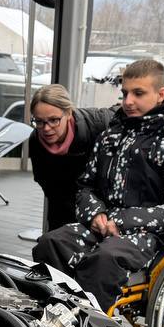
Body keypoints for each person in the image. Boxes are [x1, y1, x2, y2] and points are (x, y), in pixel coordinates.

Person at [32, 59, 164, 310]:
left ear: (160, 94)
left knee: (104, 260)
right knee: (50, 243)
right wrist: (95, 214)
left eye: (138, 93)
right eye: (125, 93)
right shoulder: (110, 137)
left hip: (152, 236)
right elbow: (85, 186)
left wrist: (119, 221)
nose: (128, 101)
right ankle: (53, 312)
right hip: (102, 226)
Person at [27, 84, 114, 230]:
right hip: (61, 206)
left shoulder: (99, 124)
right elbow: (45, 183)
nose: (46, 128)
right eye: (39, 121)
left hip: (101, 208)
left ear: (68, 113)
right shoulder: (36, 140)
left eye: (53, 120)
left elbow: (122, 113)